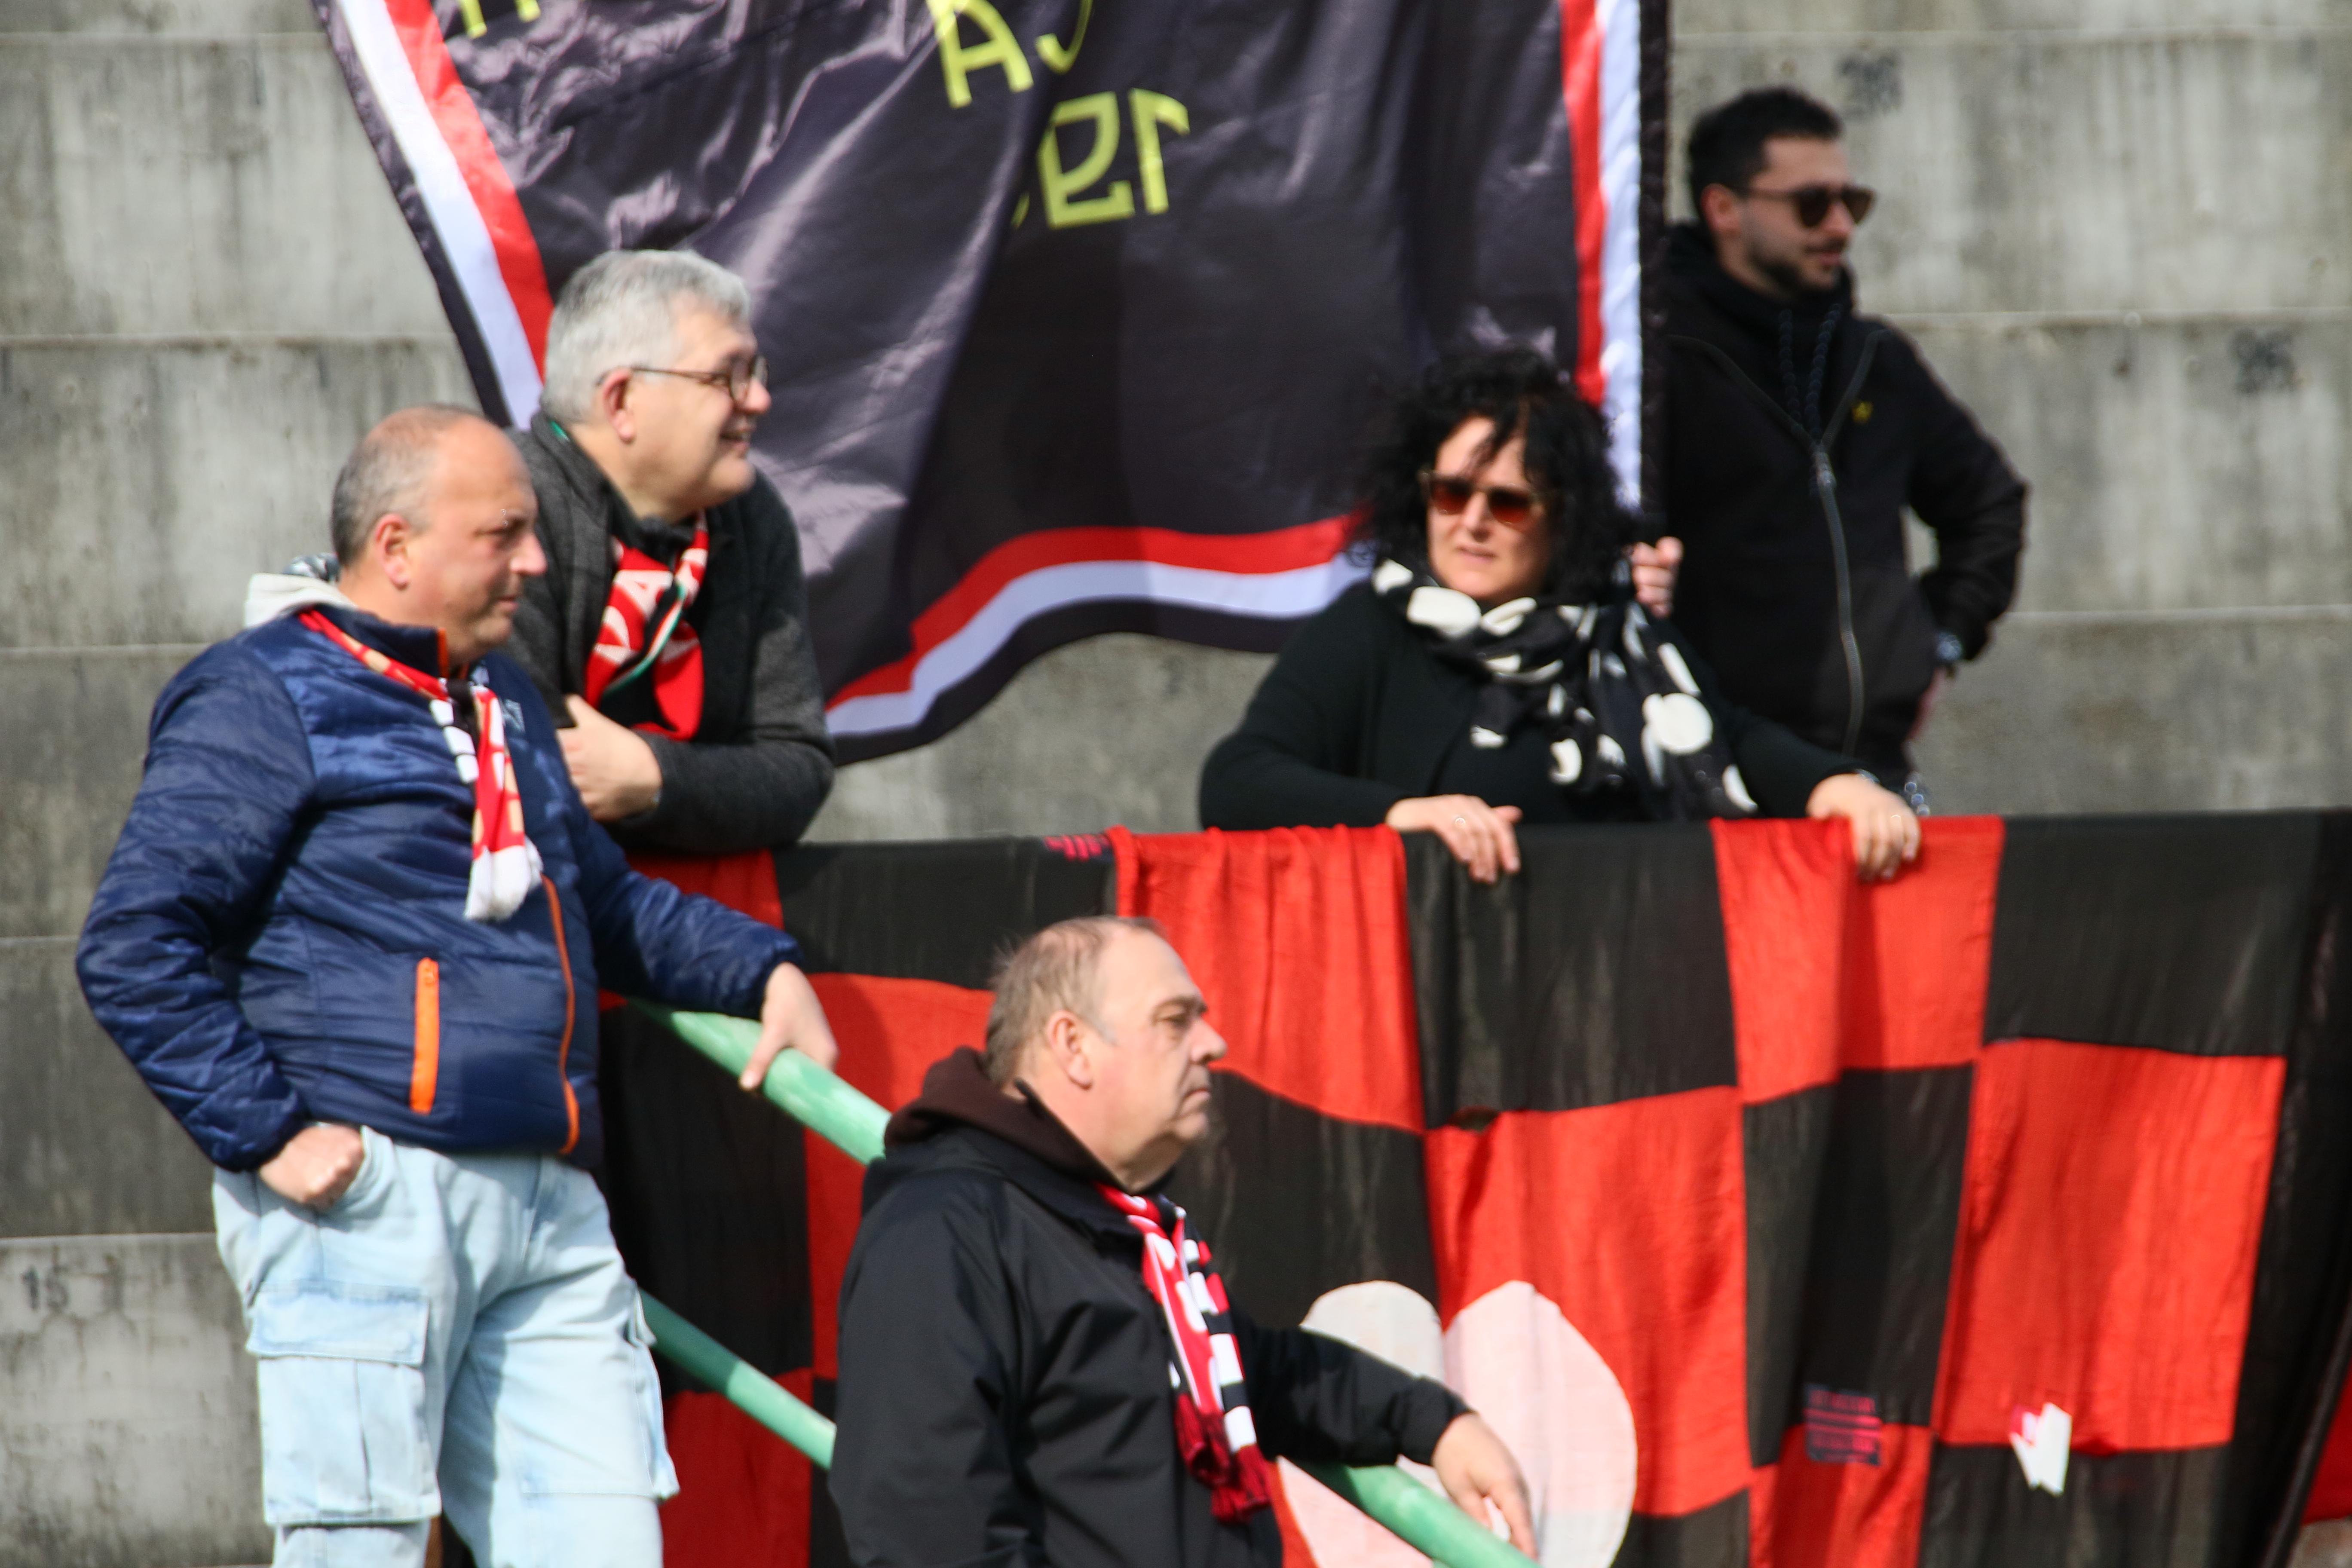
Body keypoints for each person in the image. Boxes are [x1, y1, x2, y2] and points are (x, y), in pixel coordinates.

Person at [77, 406, 840, 1568]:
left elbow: (604, 905)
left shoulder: (506, 698)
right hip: (367, 1196)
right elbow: (135, 942)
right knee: (362, 1550)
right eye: (503, 535)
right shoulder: (261, 691)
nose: (535, 564)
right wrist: (269, 1133)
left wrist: (763, 968)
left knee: (603, 1547)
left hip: (551, 1201)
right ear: (396, 545)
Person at [830, 918, 1535, 1568]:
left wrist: (1435, 1423)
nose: (1212, 1043)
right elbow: (928, 1534)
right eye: (1176, 1021)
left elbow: (1251, 1371)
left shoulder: (1111, 1220)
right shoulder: (943, 1233)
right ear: (1072, 1046)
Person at [1197, 349, 1920, 883]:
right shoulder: (1370, 629)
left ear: (1562, 519)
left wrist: (1840, 787)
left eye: (1508, 502)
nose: (1472, 522)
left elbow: (1729, 738)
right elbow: (1237, 781)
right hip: (1442, 997)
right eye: (1451, 493)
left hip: (1616, 988)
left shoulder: (1618, 630)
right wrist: (1402, 816)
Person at [1662, 86, 2027, 795]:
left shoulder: (1873, 359)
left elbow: (1990, 503)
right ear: (1724, 209)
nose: (1839, 226)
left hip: (1876, 772)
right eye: (1811, 204)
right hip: (1728, 779)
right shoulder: (1665, 365)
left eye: (1851, 203)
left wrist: (1941, 641)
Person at [505, 249, 835, 854]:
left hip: (692, 904)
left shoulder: (752, 515)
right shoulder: (505, 505)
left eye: (756, 372)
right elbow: (525, 759)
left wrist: (654, 778)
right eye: (726, 376)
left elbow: (799, 769)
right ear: (622, 401)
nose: (758, 400)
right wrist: (720, 786)